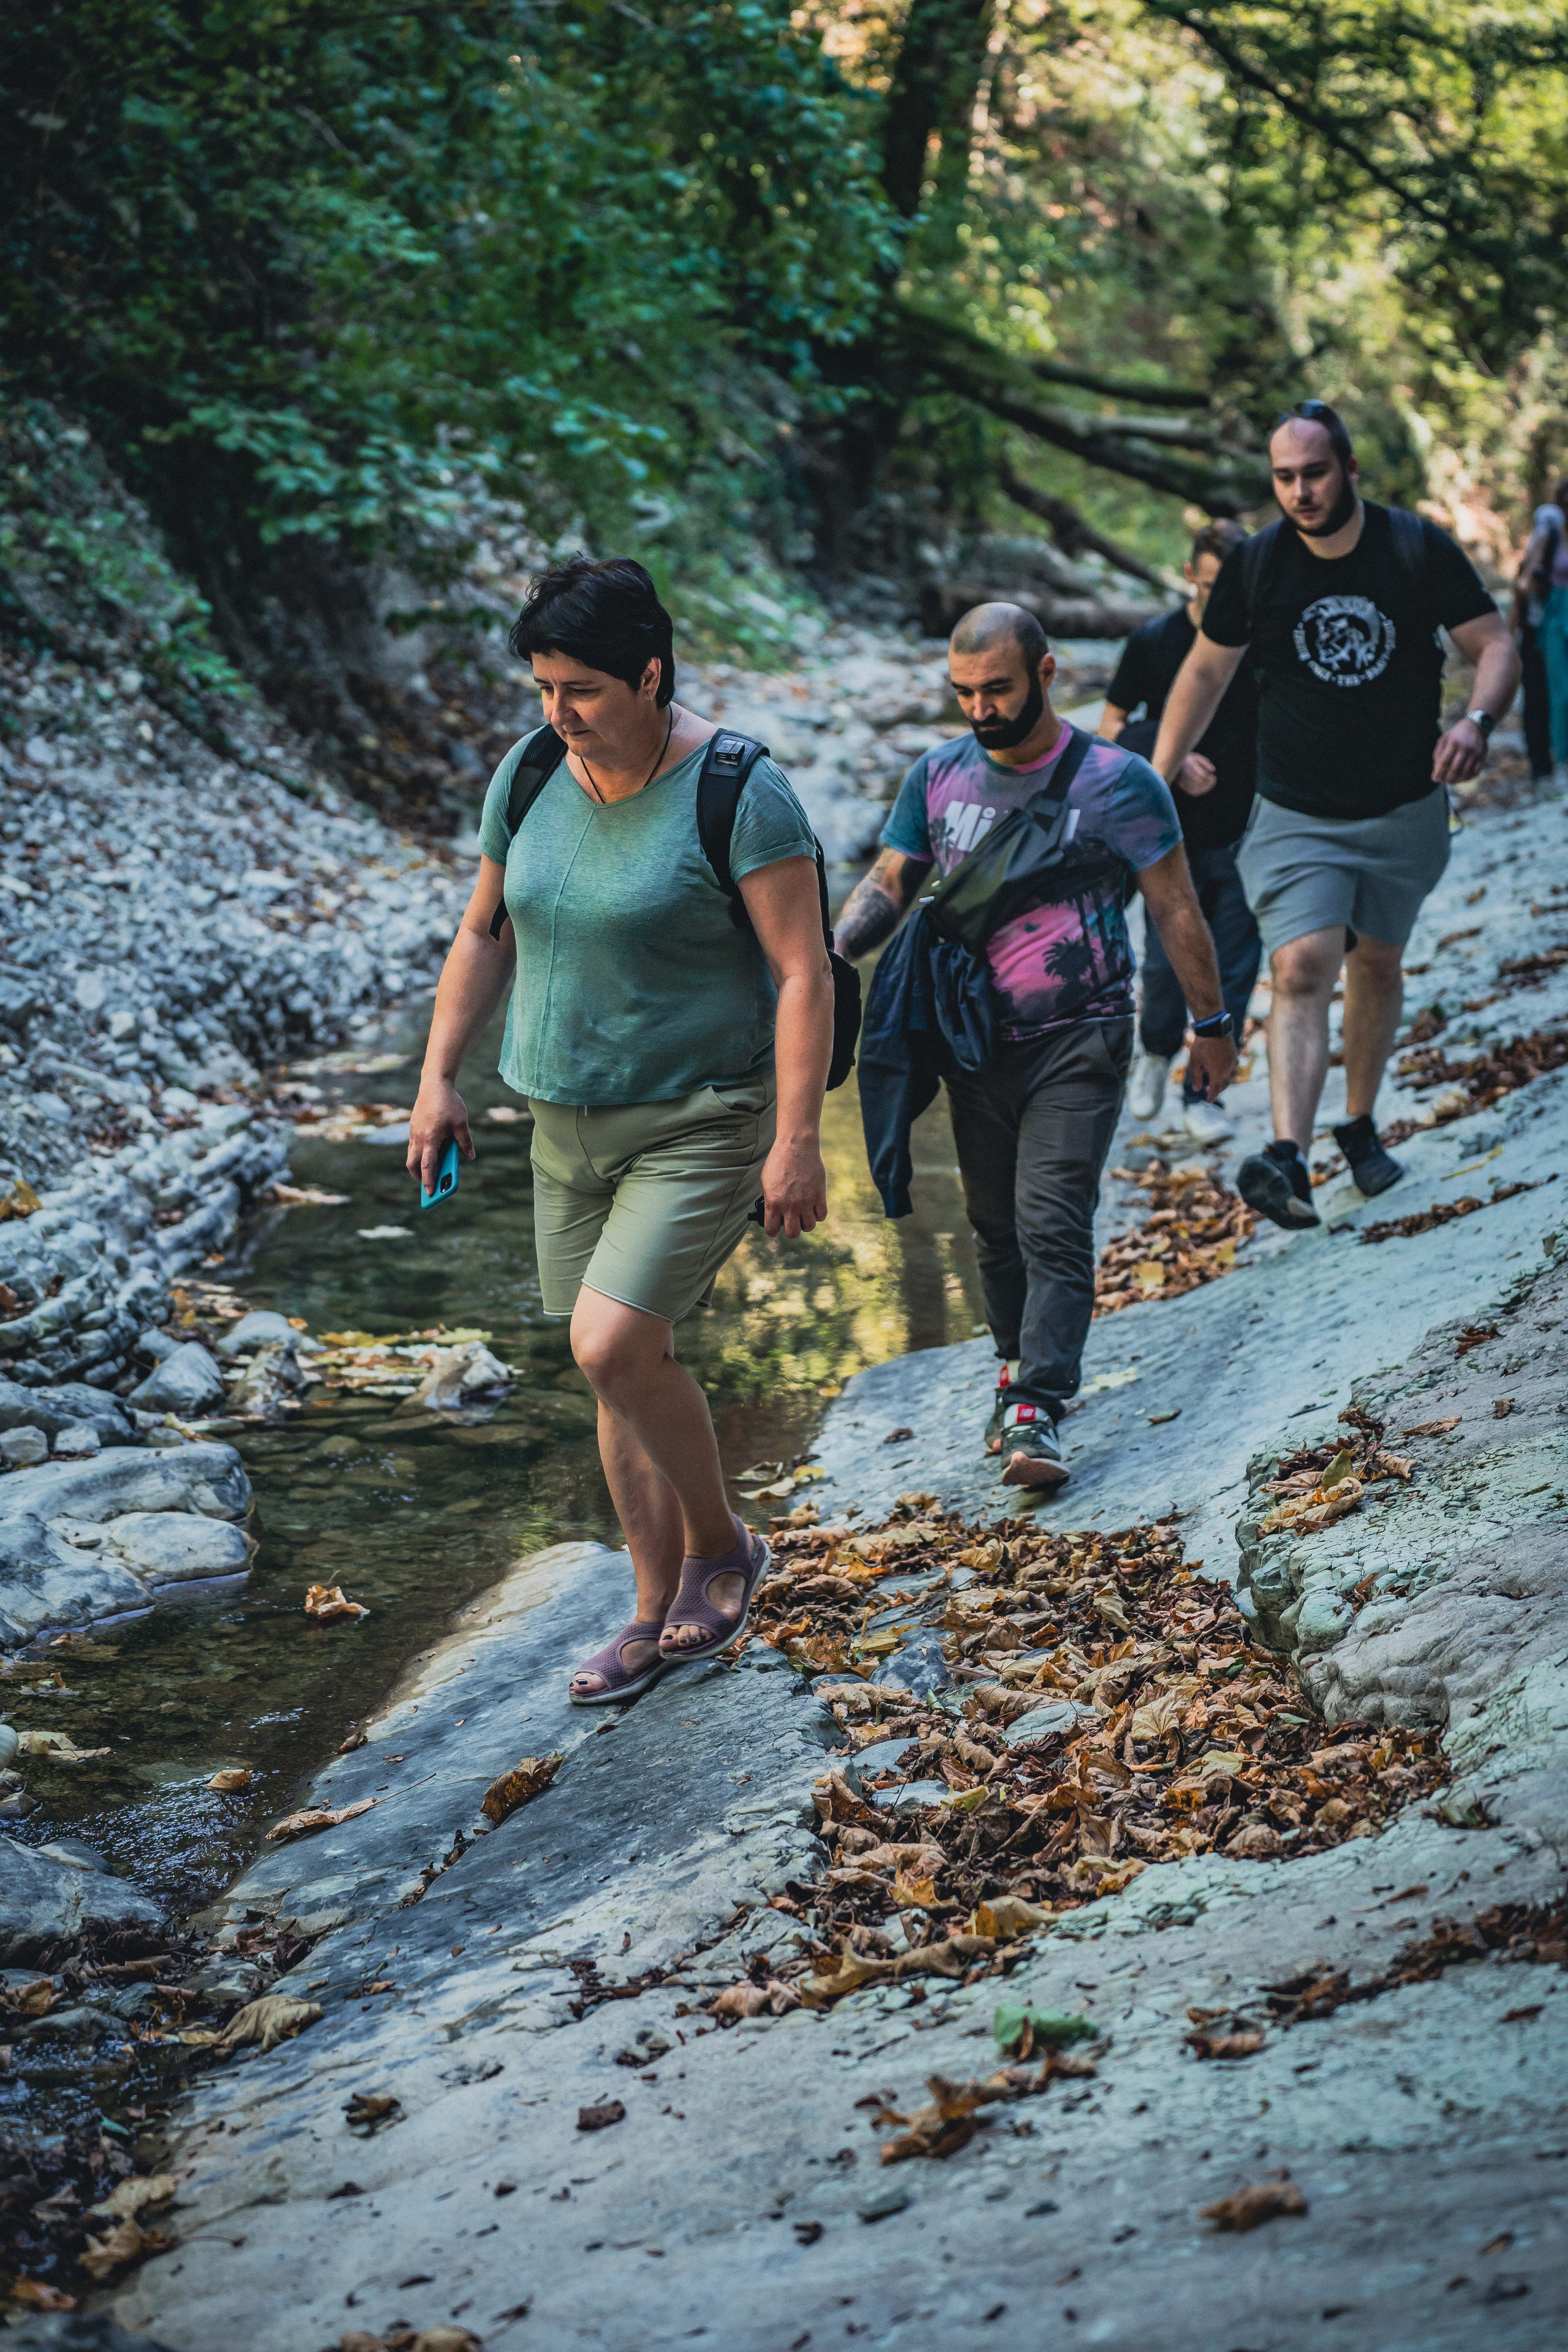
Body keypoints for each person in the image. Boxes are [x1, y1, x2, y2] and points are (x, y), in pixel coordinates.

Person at [407, 557, 834, 1702]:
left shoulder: (741, 790)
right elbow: (486, 929)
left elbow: (803, 975)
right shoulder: (536, 766)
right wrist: (438, 1076)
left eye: (583, 689)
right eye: (543, 686)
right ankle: (650, 1612)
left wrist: (799, 1139)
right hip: (563, 1119)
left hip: (701, 1113)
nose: (557, 712)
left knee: (608, 1343)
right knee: (619, 1372)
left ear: (651, 674)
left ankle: (724, 1547)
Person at [834, 600, 1237, 1490]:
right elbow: (893, 880)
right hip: (971, 1040)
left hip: (1082, 1034)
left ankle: (1039, 1405)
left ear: (1048, 676)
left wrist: (1211, 1025)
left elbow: (1174, 905)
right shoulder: (937, 776)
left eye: (999, 689)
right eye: (964, 692)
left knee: (1053, 1218)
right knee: (995, 1229)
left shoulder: (1121, 782)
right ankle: (1015, 1376)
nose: (980, 708)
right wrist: (831, 953)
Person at [1152, 401, 1521, 1230]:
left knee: (1379, 965)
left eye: (1314, 473)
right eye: (1284, 478)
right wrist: (1159, 766)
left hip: (1403, 806)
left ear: (1350, 470)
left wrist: (1478, 722)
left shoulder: (1413, 547)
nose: (1300, 492)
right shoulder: (1257, 565)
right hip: (1295, 811)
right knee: (1302, 965)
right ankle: (1289, 1157)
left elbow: (1495, 645)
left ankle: (1357, 1126)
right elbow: (1206, 672)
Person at [1100, 518, 1261, 1145]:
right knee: (1168, 964)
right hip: (1165, 835)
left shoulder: (1261, 640)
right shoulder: (1152, 642)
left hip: (1246, 826)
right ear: (1190, 574)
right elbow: (1108, 734)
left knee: (1237, 964)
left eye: (1234, 586)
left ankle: (1206, 1094)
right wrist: (1169, 753)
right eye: (1212, 582)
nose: (1223, 597)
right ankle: (1156, 1049)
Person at [1510, 489, 1568, 784]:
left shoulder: (1558, 546)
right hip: (1537, 635)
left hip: (1557, 629)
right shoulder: (1539, 549)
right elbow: (1521, 590)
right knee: (1539, 697)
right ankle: (1542, 765)